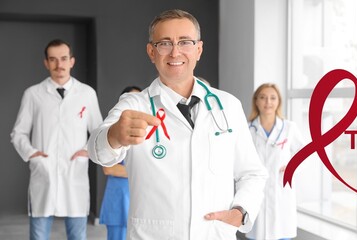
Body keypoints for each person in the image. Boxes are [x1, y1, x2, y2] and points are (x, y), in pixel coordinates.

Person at [87, 9, 267, 240]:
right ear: (152, 52)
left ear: (198, 50)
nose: (175, 51)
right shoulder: (134, 105)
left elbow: (252, 173)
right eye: (164, 43)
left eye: (185, 42)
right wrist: (113, 136)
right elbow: (96, 151)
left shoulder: (228, 106)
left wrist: (241, 211)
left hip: (214, 234)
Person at [10, 39, 103, 240]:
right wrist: (32, 154)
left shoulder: (87, 93)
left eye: (63, 59)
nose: (59, 65)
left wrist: (87, 150)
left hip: (74, 172)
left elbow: (99, 131)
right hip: (44, 171)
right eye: (53, 59)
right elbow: (18, 133)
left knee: (77, 236)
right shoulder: (33, 94)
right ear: (46, 63)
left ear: (72, 61)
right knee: (38, 235)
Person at [246, 83, 304, 240]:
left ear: (278, 101)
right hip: (256, 190)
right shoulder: (247, 129)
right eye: (263, 98)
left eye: (272, 98)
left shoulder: (289, 128)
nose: (268, 102)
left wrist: (292, 166)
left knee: (281, 232)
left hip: (281, 190)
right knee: (256, 233)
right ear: (256, 101)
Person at [99, 86, 141, 240]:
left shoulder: (150, 133)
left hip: (140, 198)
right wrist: (143, 172)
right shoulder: (112, 131)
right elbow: (109, 169)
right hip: (118, 198)